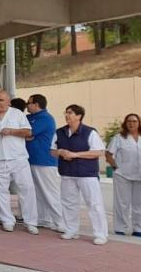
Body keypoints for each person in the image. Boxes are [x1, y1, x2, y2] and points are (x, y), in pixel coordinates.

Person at [0, 90, 39, 234]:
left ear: (9, 101)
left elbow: (28, 132)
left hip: (18, 157)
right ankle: (7, 220)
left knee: (26, 189)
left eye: (2, 100)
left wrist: (12, 131)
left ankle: (31, 222)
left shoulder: (17, 114)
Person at [52, 104, 109, 245]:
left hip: (87, 174)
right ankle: (71, 230)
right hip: (67, 173)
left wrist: (76, 154)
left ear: (79, 116)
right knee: (68, 203)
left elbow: (99, 152)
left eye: (70, 113)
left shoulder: (90, 132)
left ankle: (101, 234)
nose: (67, 115)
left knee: (94, 204)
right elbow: (52, 151)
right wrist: (61, 152)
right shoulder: (59, 132)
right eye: (66, 113)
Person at [26, 94, 65, 233]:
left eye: (29, 103)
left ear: (36, 104)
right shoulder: (30, 118)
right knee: (37, 192)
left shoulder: (45, 118)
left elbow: (29, 133)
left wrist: (27, 135)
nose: (27, 105)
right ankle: (44, 219)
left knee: (50, 192)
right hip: (32, 159)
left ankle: (60, 221)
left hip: (45, 160)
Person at [106, 113, 141, 237]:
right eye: (129, 121)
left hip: (139, 175)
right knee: (122, 203)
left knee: (139, 204)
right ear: (125, 123)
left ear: (139, 123)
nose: (131, 123)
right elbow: (108, 154)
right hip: (122, 175)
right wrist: (115, 167)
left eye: (134, 121)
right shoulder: (119, 137)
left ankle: (138, 229)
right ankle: (120, 227)